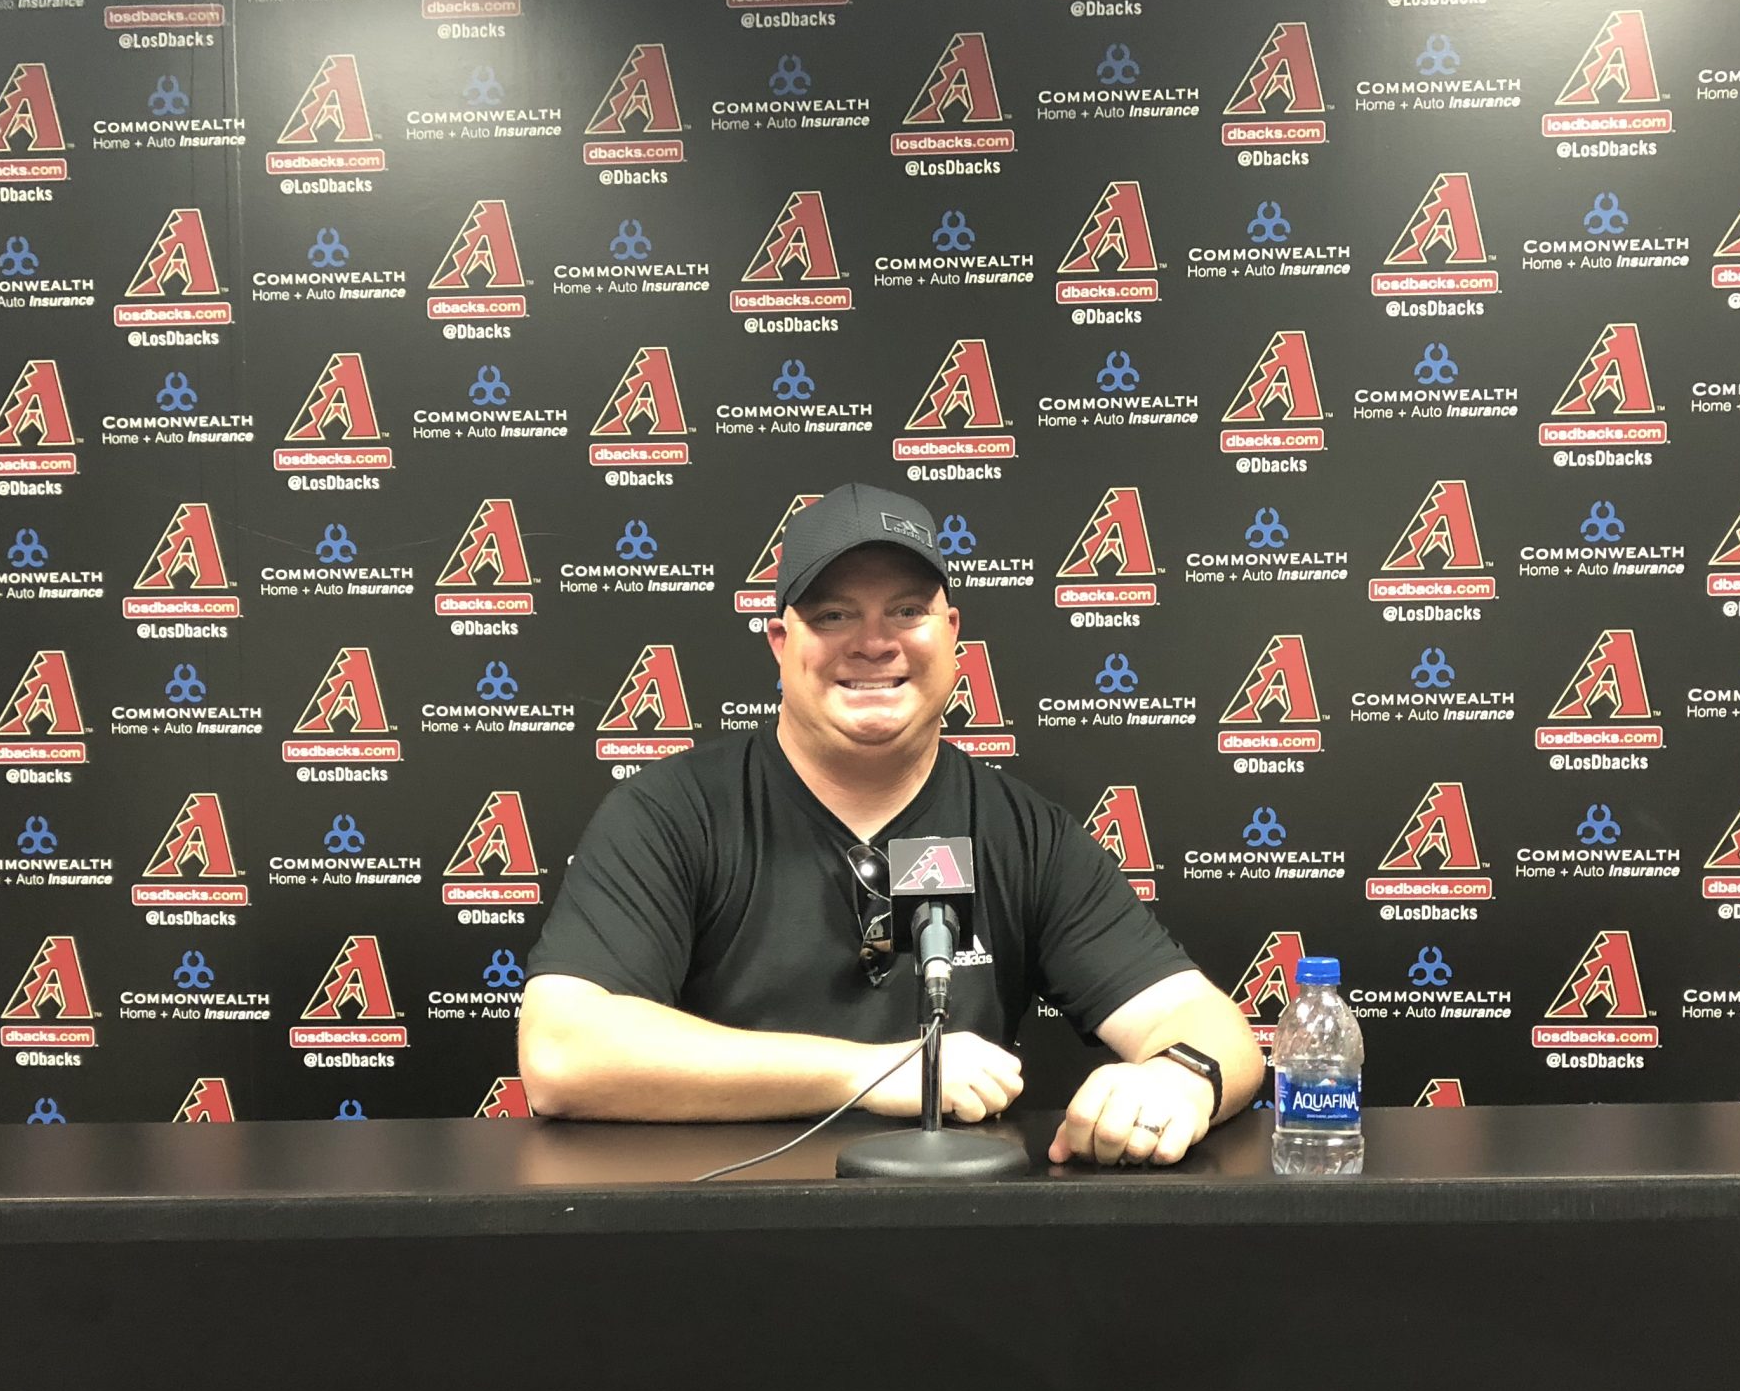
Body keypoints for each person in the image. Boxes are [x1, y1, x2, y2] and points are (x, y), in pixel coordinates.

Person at [517, 483, 1265, 1167]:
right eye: (833, 615)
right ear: (780, 643)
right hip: (719, 1232)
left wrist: (1180, 1078)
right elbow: (561, 1053)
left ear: (952, 634)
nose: (874, 643)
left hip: (951, 1240)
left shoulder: (1021, 832)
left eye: (907, 611)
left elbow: (1200, 1020)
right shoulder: (673, 813)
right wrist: (875, 1070)